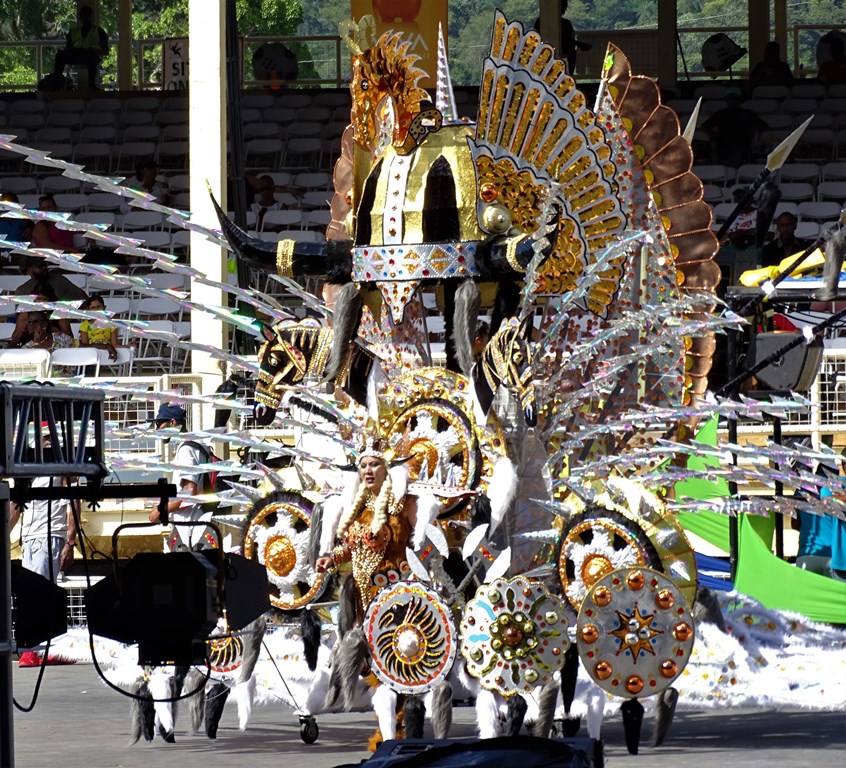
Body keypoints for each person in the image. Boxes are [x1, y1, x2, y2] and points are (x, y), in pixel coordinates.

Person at [316, 441, 417, 619]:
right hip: (362, 596)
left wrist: (415, 574)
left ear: (386, 469)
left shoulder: (404, 503)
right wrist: (331, 559)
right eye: (363, 466)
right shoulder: (357, 508)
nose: (368, 471)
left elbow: (426, 542)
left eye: (374, 464)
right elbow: (352, 548)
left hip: (399, 594)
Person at [9, 433, 79, 667]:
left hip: (49, 534)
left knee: (41, 591)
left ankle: (39, 648)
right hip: (31, 537)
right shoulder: (28, 469)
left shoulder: (61, 467)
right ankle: (39, 647)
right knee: (36, 591)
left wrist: (70, 539)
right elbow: (17, 506)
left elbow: (73, 500)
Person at [147, 403, 217, 552]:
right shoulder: (195, 446)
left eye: (159, 423)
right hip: (196, 525)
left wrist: (161, 510)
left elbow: (188, 492)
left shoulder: (186, 450)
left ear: (172, 423)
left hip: (191, 529)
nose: (157, 429)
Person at [702, 90, 766, 167]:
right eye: (730, 99)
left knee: (739, 152)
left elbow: (764, 125)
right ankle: (718, 174)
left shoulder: (748, 114)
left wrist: (755, 131)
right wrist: (712, 135)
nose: (732, 101)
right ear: (727, 101)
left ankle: (732, 175)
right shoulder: (721, 114)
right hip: (722, 144)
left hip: (742, 145)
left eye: (735, 99)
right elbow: (705, 126)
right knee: (714, 151)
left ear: (739, 101)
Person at [52, 4, 109, 90]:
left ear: (91, 17)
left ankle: (91, 85)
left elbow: (106, 51)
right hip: (76, 54)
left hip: (90, 55)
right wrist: (70, 49)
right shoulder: (73, 32)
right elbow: (68, 47)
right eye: (84, 16)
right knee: (60, 54)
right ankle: (57, 82)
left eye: (88, 15)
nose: (86, 18)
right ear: (80, 18)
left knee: (92, 56)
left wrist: (95, 50)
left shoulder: (99, 31)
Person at [10, 282, 76, 348]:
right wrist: (24, 328)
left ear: (50, 300)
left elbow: (70, 340)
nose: (41, 303)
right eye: (39, 299)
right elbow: (14, 340)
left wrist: (48, 327)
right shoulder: (26, 313)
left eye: (44, 299)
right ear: (34, 300)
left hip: (55, 348)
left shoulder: (58, 312)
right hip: (29, 349)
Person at [533, 1, 591, 75]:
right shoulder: (566, 24)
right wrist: (578, 44)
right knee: (571, 50)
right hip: (554, 56)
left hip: (543, 58)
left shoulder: (539, 22)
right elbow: (567, 41)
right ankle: (570, 76)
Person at [15, 255, 87, 301]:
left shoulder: (58, 279)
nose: (44, 268)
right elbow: (22, 317)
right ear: (30, 269)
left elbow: (81, 295)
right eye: (40, 266)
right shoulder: (22, 291)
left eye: (46, 264)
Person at [78, 294, 120, 361]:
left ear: (104, 307)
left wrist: (128, 346)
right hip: (91, 354)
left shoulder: (111, 324)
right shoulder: (85, 325)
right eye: (93, 308)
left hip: (107, 352)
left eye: (98, 307)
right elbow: (84, 345)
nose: (96, 310)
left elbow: (115, 345)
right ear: (88, 310)